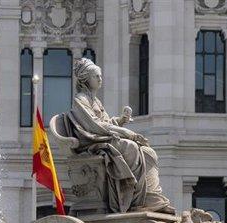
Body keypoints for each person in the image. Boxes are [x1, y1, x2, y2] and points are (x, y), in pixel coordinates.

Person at [53, 57, 173, 214]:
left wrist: (121, 120)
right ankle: (132, 199)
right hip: (93, 143)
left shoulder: (95, 100)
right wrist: (127, 133)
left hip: (104, 138)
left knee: (148, 151)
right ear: (85, 79)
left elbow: (106, 122)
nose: (100, 79)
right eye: (96, 76)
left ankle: (148, 196)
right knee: (131, 147)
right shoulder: (80, 100)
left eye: (100, 76)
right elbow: (94, 125)